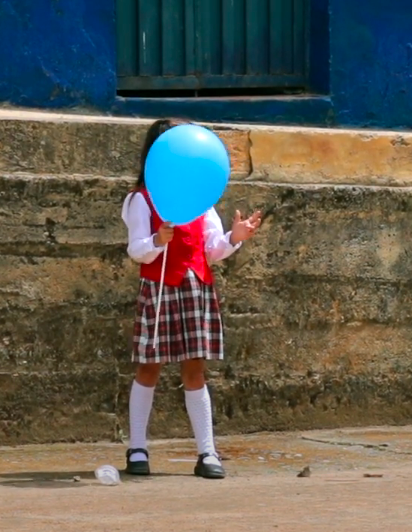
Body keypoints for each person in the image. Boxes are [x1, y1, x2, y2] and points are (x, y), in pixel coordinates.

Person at [120, 119, 262, 479]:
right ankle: (137, 447)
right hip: (159, 288)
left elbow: (212, 248)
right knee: (149, 367)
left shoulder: (201, 201)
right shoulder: (141, 199)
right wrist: (157, 241)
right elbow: (136, 250)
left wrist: (236, 235)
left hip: (195, 287)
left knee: (195, 370)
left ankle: (207, 452)